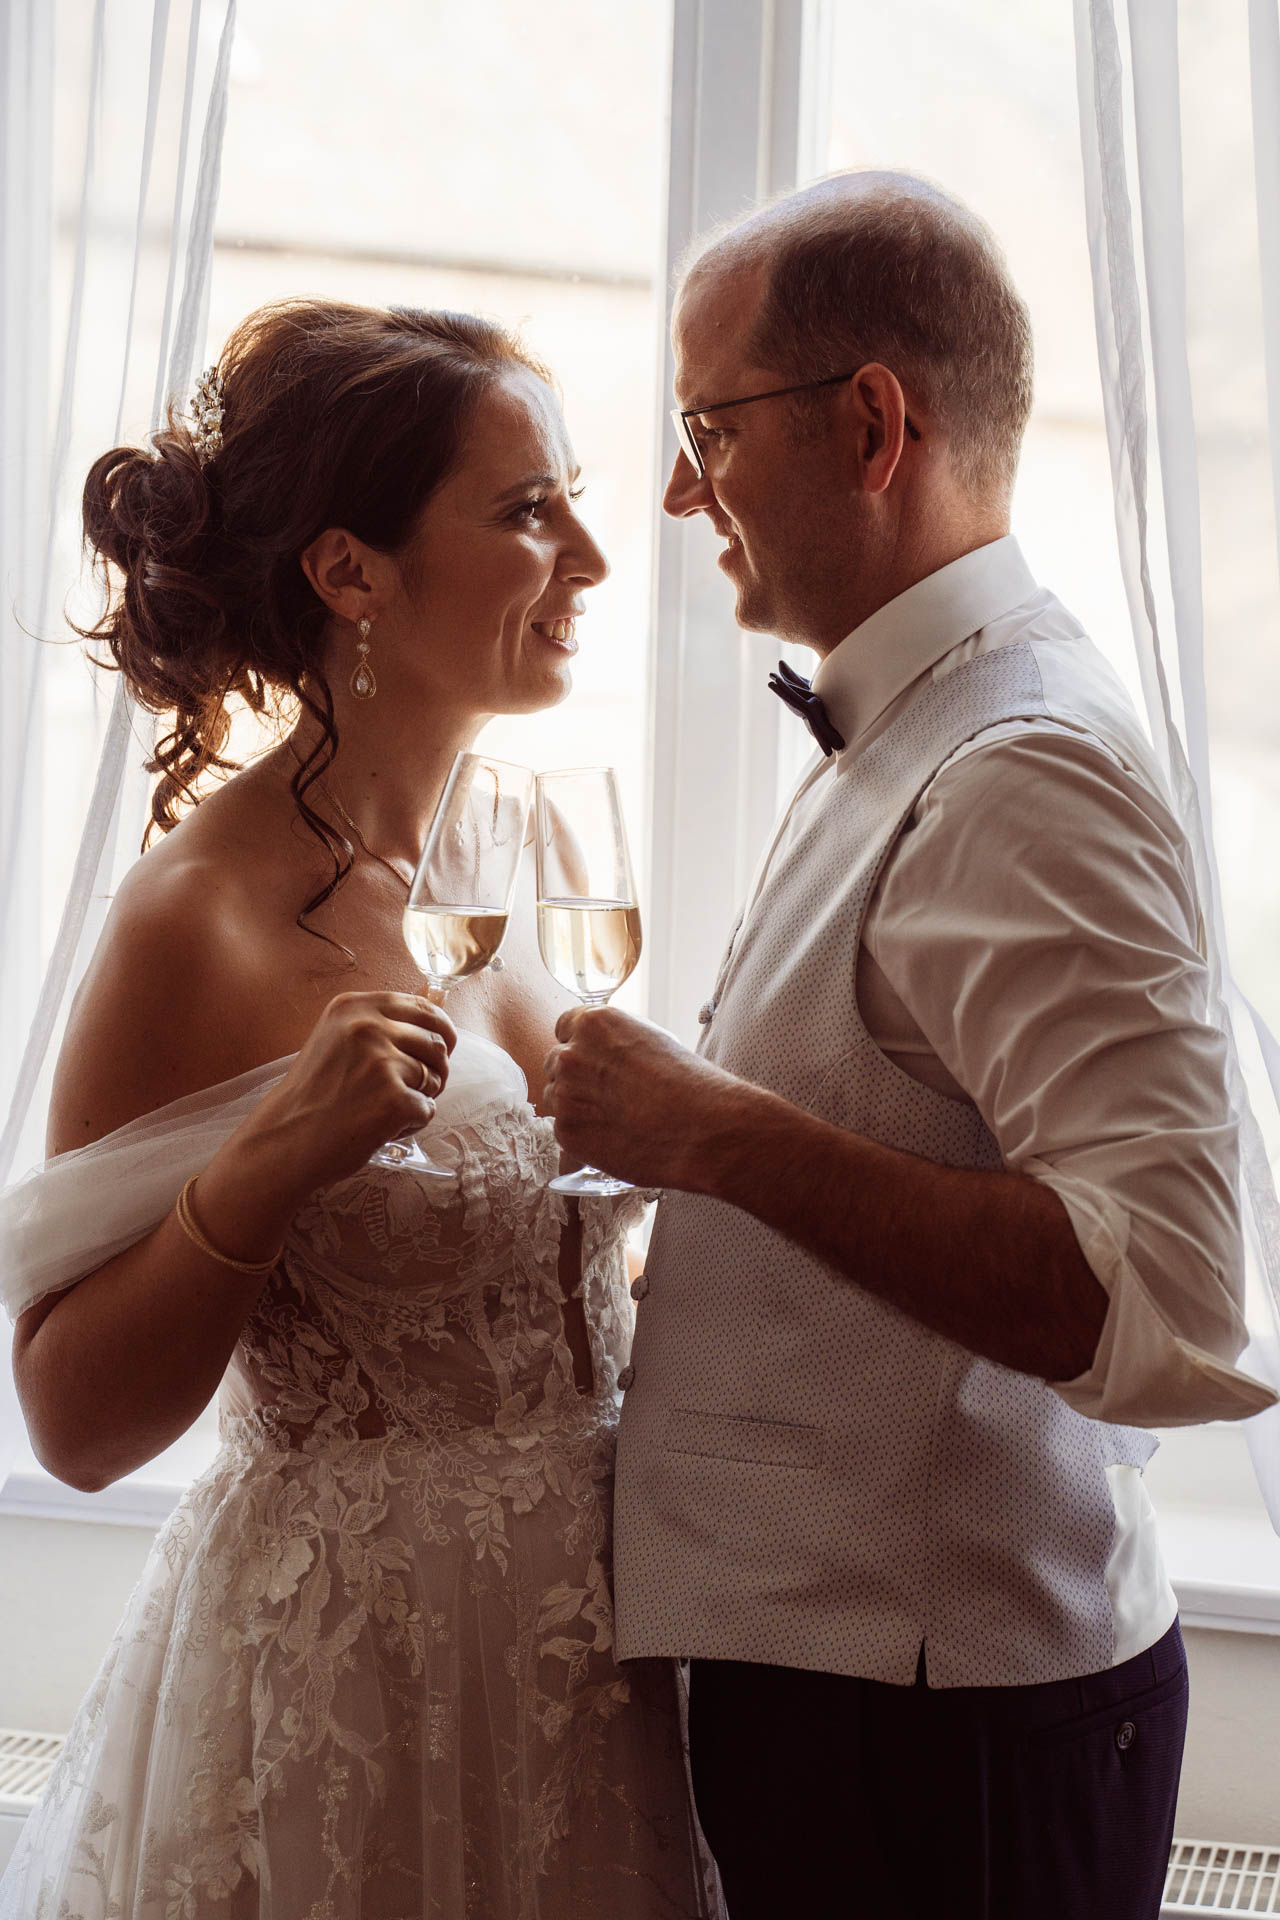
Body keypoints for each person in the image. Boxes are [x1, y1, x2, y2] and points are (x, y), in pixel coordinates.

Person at [542, 171, 1276, 1919]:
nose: (672, 489)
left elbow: (1163, 1303)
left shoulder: (1024, 765)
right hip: (866, 1702)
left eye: (706, 426)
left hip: (946, 1738)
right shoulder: (916, 724)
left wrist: (716, 1138)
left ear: (872, 424)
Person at [0, 299, 715, 1918]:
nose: (593, 558)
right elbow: (76, 1424)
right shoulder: (197, 923)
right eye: (531, 510)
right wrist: (267, 1162)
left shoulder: (537, 858)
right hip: (346, 1696)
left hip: (595, 1675)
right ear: (350, 571)